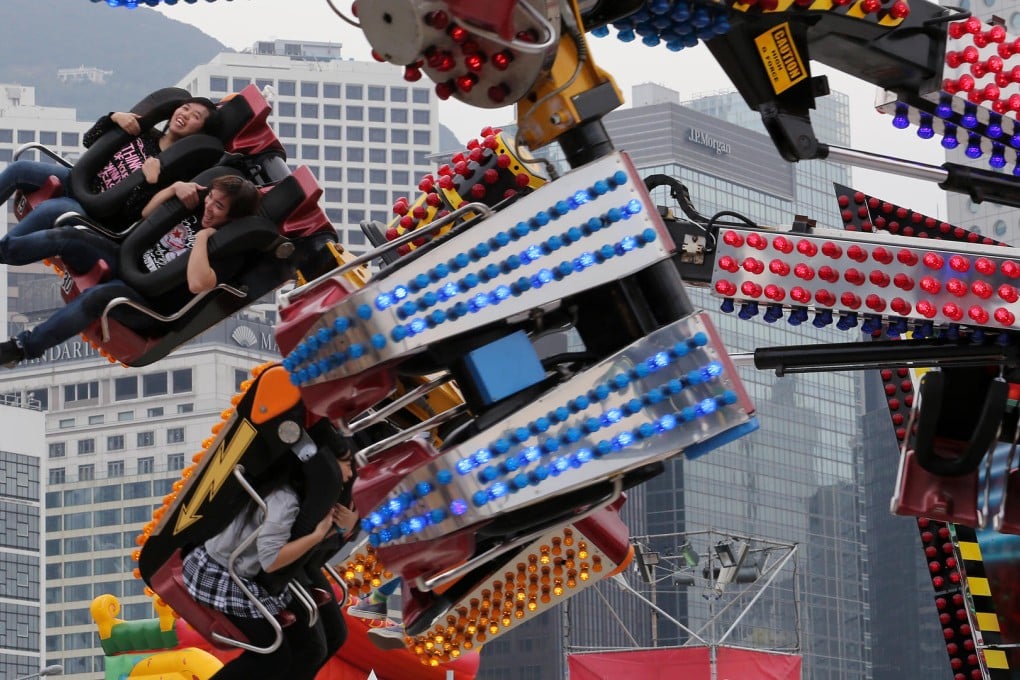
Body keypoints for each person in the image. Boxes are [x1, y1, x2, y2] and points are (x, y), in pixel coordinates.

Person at [0, 174, 260, 366]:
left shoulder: (228, 252)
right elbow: (148, 213)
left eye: (219, 206)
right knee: (69, 236)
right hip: (127, 262)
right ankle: (5, 250)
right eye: (211, 198)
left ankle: (22, 348)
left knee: (99, 298)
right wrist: (174, 187)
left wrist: (203, 238)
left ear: (233, 218)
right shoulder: (195, 209)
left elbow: (197, 284)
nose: (210, 207)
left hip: (145, 301)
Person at [181, 465, 356, 680]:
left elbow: (296, 547)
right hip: (219, 574)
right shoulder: (284, 500)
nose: (349, 473)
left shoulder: (302, 501)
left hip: (249, 575)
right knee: (276, 657)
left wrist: (339, 529)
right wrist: (319, 535)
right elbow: (272, 560)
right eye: (345, 464)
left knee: (327, 638)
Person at [0, 95, 217, 242]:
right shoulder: (143, 132)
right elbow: (89, 140)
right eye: (185, 108)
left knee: (51, 209)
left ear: (200, 132)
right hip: (78, 181)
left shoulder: (174, 171)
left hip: (95, 210)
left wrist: (151, 182)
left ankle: (5, 248)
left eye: (195, 116)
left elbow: (134, 214)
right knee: (20, 168)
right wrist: (113, 117)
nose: (186, 115)